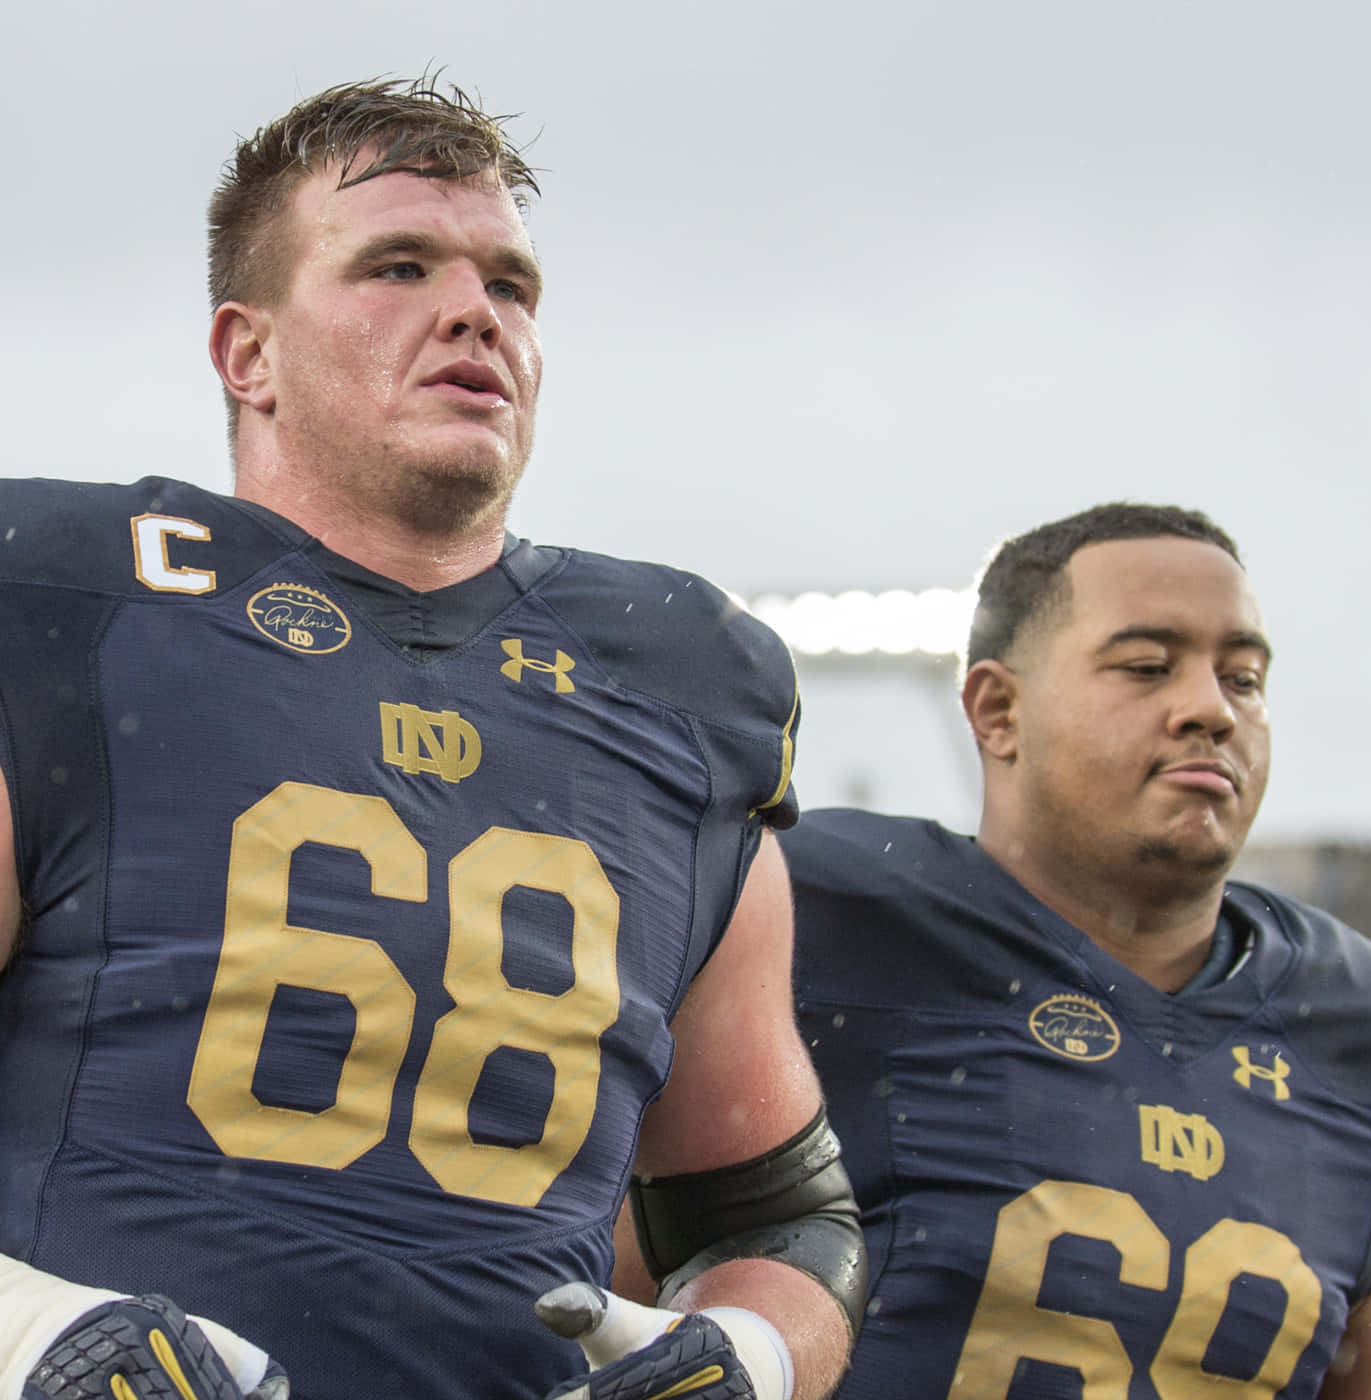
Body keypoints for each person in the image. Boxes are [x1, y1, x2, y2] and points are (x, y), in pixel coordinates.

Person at [0, 77, 864, 1400]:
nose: (474, 311)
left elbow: (780, 1216)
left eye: (511, 286)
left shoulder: (681, 681)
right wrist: (30, 1337)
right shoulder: (75, 609)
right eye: (397, 266)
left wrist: (743, 1356)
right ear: (250, 351)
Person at [780, 504, 1371, 1400]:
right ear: (998, 711)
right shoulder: (821, 918)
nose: (1210, 710)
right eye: (1148, 668)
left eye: (1245, 677)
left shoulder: (1368, 1031)